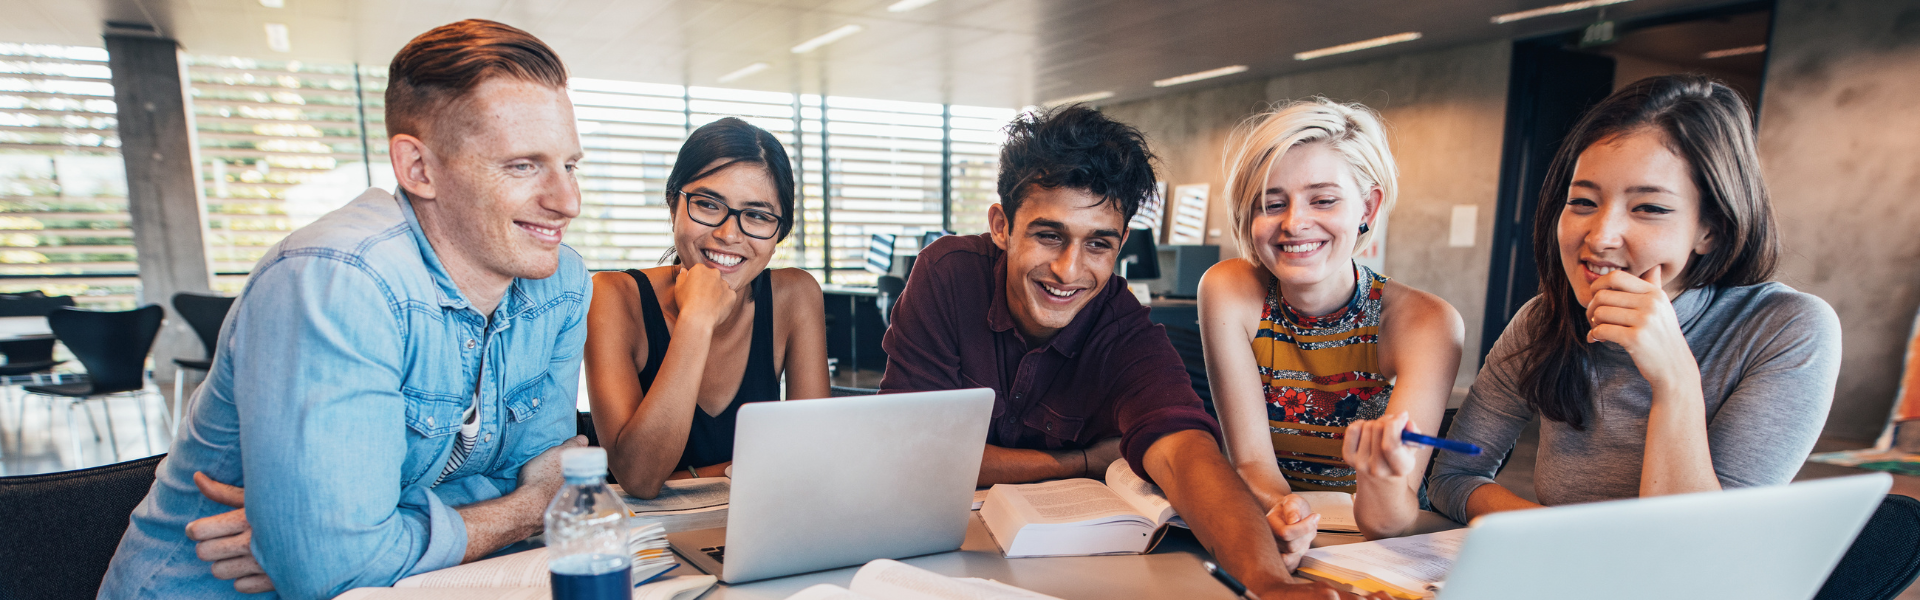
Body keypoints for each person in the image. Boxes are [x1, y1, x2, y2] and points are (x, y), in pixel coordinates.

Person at [99, 20, 590, 600]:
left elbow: (560, 478)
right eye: (522, 165)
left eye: (570, 165)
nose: (567, 202)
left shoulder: (559, 280)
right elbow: (337, 570)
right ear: (418, 169)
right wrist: (527, 507)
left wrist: (334, 533)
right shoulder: (338, 279)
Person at [881, 105, 1387, 600]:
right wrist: (1077, 461)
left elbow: (1185, 450)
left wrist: (1270, 583)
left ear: (1121, 242)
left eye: (1098, 244)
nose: (1067, 269)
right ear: (1002, 226)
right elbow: (911, 455)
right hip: (926, 556)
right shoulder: (948, 274)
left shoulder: (1121, 326)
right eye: (1048, 235)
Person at [1420, 74, 1840, 524]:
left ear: (1710, 228)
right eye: (1582, 202)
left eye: (1649, 208)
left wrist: (1673, 378)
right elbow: (1454, 475)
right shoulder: (1544, 319)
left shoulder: (1787, 328)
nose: (1600, 237)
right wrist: (1557, 541)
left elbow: (1700, 544)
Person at [1198, 99, 1464, 542]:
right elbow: (1252, 465)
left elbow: (1390, 521)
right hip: (1276, 528)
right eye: (1271, 203)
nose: (1295, 223)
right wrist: (1287, 513)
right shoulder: (1229, 290)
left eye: (1323, 200)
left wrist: (1378, 476)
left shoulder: (1425, 322)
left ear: (1367, 208)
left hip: (1377, 546)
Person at [583, 117, 828, 498]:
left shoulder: (794, 296)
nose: (728, 234)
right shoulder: (612, 297)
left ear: (779, 232)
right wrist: (696, 319)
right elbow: (640, 478)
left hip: (761, 526)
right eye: (708, 205)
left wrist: (683, 479)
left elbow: (811, 461)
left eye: (758, 216)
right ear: (673, 206)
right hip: (647, 542)